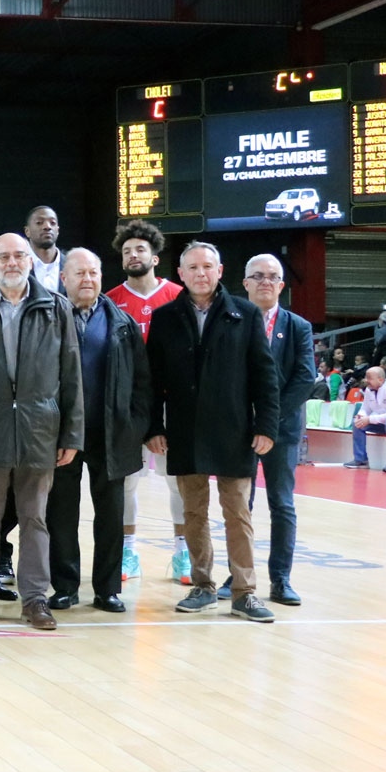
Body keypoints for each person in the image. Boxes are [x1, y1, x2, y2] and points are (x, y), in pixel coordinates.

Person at [0, 233, 81, 631]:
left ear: (31, 262)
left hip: (41, 430)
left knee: (35, 519)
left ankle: (36, 599)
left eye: (18, 256)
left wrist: (71, 435)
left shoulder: (56, 307)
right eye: (2, 256)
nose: (11, 263)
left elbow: (71, 375)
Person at [145, 241, 280, 623]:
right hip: (184, 431)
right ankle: (202, 585)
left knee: (238, 513)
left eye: (208, 266)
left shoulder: (247, 314)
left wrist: (266, 425)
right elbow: (152, 382)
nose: (201, 273)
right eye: (193, 267)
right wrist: (154, 426)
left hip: (236, 431)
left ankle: (245, 592)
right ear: (181, 274)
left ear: (219, 272)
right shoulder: (165, 317)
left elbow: (264, 376)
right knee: (193, 512)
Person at [46, 249, 149, 615]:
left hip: (111, 434)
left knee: (110, 516)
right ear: (64, 279)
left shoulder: (122, 322)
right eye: (79, 273)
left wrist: (135, 427)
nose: (87, 279)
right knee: (61, 514)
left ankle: (107, 589)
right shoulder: (48, 318)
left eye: (93, 272)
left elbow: (141, 383)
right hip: (61, 434)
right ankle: (65, 586)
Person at [216, 254, 314, 607]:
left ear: (282, 285)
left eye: (273, 277)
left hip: (281, 431)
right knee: (239, 506)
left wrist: (268, 422)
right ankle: (238, 576)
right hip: (239, 431)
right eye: (257, 276)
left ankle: (281, 579)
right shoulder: (228, 322)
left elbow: (304, 379)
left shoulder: (298, 327)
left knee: (282, 504)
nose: (265, 282)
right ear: (244, 283)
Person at [105, 219, 189, 586]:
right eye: (126, 251)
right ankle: (128, 549)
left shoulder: (177, 295)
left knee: (177, 482)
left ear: (155, 256)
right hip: (126, 404)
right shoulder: (111, 300)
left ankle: (183, 552)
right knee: (126, 483)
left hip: (171, 405)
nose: (133, 255)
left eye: (139, 249)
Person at [25, 206, 64, 293]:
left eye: (52, 223)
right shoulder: (18, 265)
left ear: (57, 231)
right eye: (39, 223)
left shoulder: (71, 265)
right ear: (27, 231)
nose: (47, 226)